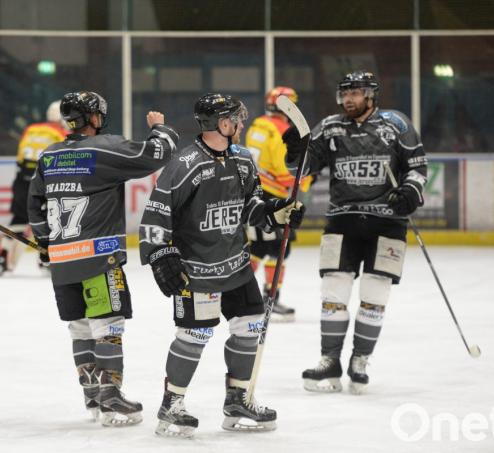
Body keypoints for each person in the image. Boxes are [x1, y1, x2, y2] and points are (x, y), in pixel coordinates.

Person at [140, 93, 305, 438]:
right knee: (194, 335)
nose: (241, 123)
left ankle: (238, 400)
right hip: (197, 271)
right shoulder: (185, 164)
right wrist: (159, 254)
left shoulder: (242, 159)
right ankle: (172, 405)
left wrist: (275, 212)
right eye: (236, 118)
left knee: (250, 326)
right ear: (221, 123)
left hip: (237, 266)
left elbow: (251, 205)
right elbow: (157, 213)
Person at [27, 91, 179, 427]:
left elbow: (35, 204)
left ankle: (92, 394)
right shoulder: (104, 148)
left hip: (62, 261)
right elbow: (159, 153)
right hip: (98, 257)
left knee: (80, 327)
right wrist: (161, 128)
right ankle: (111, 394)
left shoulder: (49, 155)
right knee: (108, 325)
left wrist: (45, 242)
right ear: (93, 118)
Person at [284, 71, 427, 395]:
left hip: (387, 222)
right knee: (333, 292)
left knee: (375, 294)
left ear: (370, 95)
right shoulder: (330, 126)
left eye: (356, 93)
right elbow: (301, 170)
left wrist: (410, 191)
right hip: (342, 220)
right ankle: (329, 360)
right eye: (345, 93)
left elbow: (417, 166)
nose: (348, 99)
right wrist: (294, 151)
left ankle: (360, 360)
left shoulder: (396, 124)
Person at [244, 86, 314, 322]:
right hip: (274, 199)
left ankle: (239, 291)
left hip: (256, 194)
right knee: (279, 250)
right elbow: (284, 171)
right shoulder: (281, 130)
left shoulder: (257, 124)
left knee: (257, 248)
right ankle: (268, 298)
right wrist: (307, 179)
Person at [0, 101, 70, 276]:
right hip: (43, 180)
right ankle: (46, 261)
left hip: (22, 179)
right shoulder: (61, 133)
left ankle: (3, 258)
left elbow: (21, 155)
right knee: (49, 219)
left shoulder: (31, 129)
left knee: (19, 219)